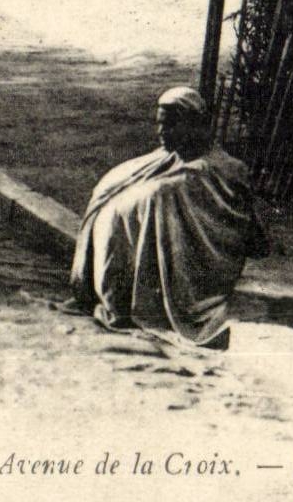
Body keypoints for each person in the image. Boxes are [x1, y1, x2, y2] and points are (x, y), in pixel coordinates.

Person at [67, 86, 268, 348]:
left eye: (170, 125)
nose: (161, 132)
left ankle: (136, 299)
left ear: (191, 124)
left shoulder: (217, 170)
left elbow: (242, 230)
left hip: (203, 271)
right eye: (159, 124)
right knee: (117, 190)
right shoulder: (168, 158)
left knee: (155, 195)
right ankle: (116, 296)